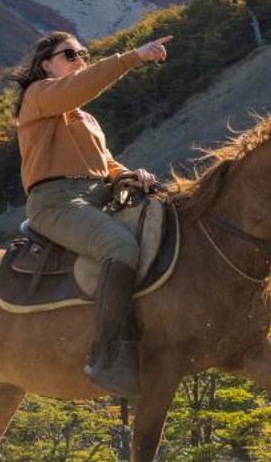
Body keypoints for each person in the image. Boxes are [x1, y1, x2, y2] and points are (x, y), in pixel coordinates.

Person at [10, 30, 171, 396]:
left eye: (83, 53)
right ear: (45, 65)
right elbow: (83, 85)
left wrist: (127, 174)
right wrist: (134, 57)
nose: (79, 59)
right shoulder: (37, 97)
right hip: (56, 203)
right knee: (122, 248)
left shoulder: (85, 118)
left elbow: (105, 164)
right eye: (69, 54)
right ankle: (107, 356)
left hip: (97, 198)